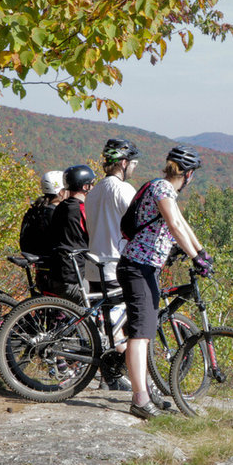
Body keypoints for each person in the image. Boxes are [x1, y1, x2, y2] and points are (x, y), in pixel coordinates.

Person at [117, 146, 213, 419]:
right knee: (141, 335)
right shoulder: (163, 190)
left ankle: (143, 387)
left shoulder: (163, 190)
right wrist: (196, 257)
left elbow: (182, 223)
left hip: (144, 267)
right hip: (138, 267)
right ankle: (139, 400)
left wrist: (201, 251)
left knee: (141, 328)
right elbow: (173, 224)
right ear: (189, 174)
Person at [85, 139, 140, 391]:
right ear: (124, 163)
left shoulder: (94, 191)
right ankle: (115, 376)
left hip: (93, 266)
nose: (134, 169)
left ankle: (108, 374)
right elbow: (139, 224)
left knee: (107, 321)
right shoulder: (123, 190)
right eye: (133, 164)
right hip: (114, 264)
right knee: (120, 321)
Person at [48, 165, 97, 304]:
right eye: (92, 184)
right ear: (86, 187)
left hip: (57, 274)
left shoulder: (60, 207)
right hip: (74, 277)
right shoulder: (81, 209)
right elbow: (93, 235)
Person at [19, 170, 67, 292]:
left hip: (40, 268)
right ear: (61, 192)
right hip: (54, 269)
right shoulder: (54, 213)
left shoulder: (37, 208)